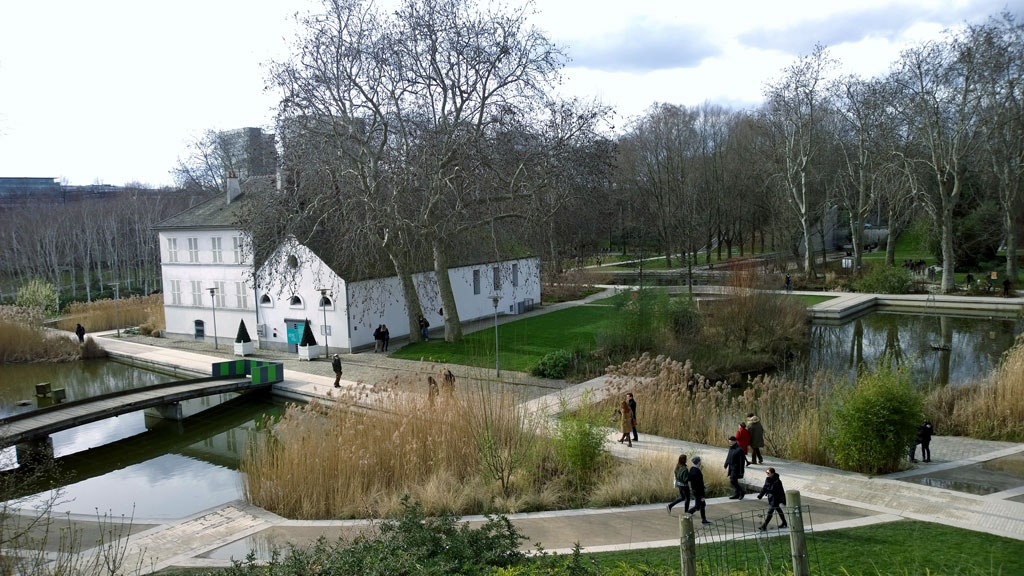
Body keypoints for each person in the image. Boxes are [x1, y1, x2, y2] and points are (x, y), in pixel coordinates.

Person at [686, 456, 711, 524]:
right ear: (698, 462)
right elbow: (699, 483)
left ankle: (703, 519)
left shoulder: (692, 469)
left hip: (695, 491)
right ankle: (688, 513)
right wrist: (702, 493)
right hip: (699, 492)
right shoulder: (697, 470)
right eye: (700, 461)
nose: (701, 462)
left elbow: (690, 479)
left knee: (702, 505)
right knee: (699, 506)